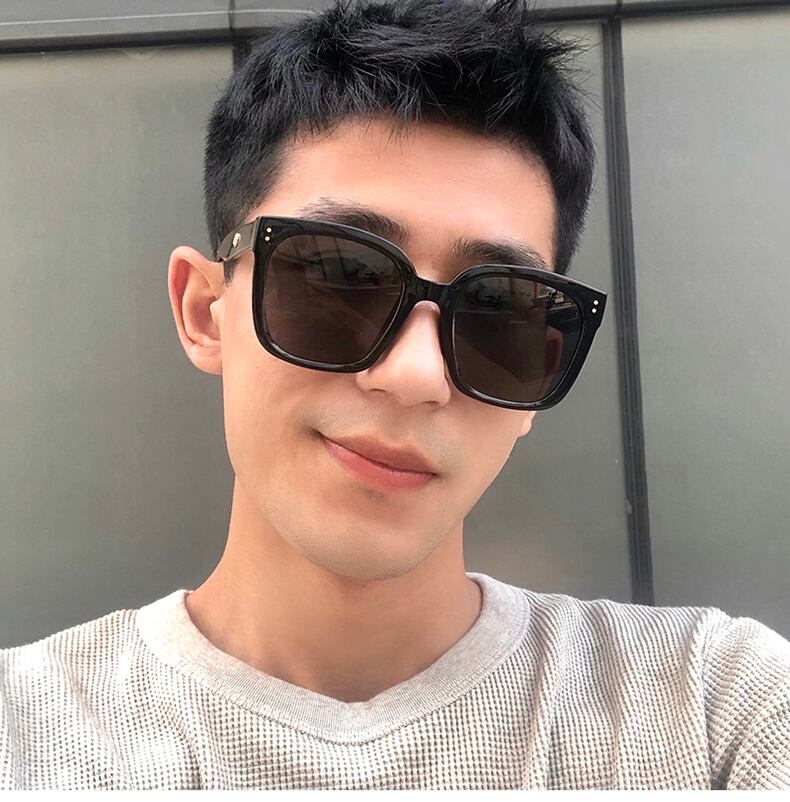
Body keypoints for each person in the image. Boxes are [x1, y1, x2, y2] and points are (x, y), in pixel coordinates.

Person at [1, 0, 788, 791]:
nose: (416, 376)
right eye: (340, 275)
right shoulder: (24, 737)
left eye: (498, 313)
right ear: (206, 312)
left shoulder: (715, 709)